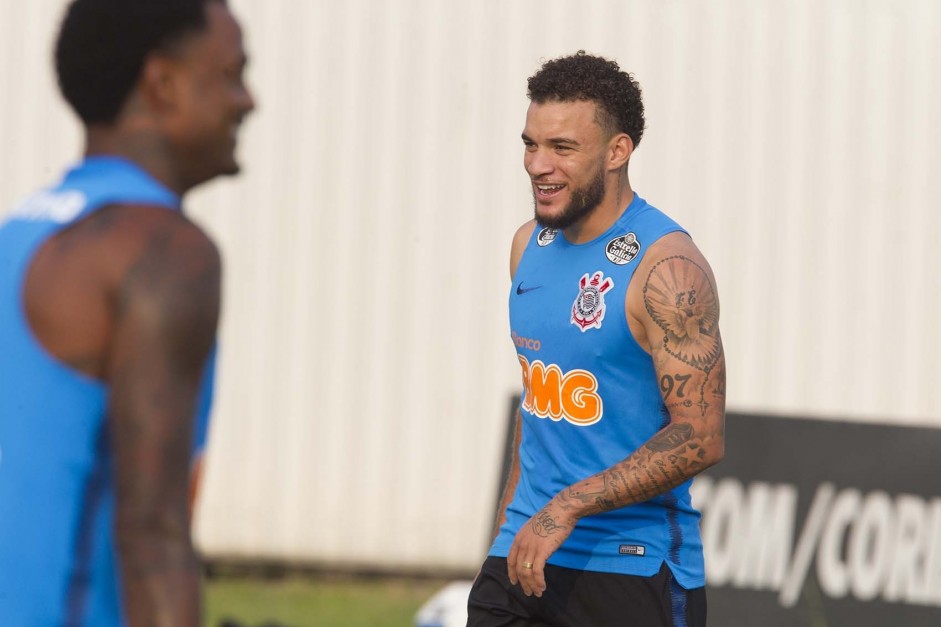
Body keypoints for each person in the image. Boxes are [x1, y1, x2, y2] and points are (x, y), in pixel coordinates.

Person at [0, 0, 254, 624]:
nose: (248, 100)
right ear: (162, 83)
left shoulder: (22, 232)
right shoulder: (161, 251)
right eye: (230, 73)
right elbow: (152, 534)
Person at [467, 52, 726, 627]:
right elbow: (539, 401)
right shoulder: (526, 247)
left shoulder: (668, 269)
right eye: (530, 144)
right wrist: (512, 524)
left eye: (562, 148)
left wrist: (567, 507)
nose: (538, 164)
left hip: (630, 565)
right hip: (523, 554)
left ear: (617, 151)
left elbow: (700, 437)